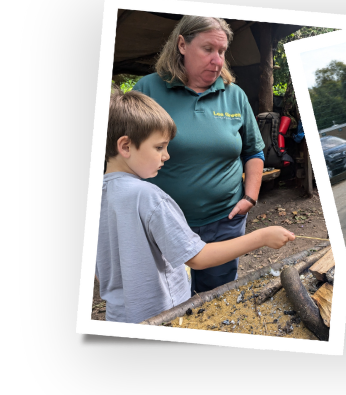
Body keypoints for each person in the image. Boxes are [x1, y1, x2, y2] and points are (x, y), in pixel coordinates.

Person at [97, 91, 294, 323]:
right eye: (159, 147)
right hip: (164, 315)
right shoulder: (149, 197)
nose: (166, 156)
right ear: (126, 146)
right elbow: (198, 258)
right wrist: (262, 237)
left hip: (119, 317)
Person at [133, 16, 266, 294]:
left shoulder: (234, 95)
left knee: (216, 297)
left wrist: (250, 197)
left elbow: (254, 150)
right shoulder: (147, 91)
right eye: (208, 49)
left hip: (225, 220)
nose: (217, 60)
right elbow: (123, 156)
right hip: (165, 222)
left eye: (222, 51)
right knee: (170, 298)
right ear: (182, 44)